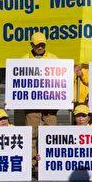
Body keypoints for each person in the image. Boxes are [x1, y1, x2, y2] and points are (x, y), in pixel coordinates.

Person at [22, 32, 58, 170]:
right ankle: (32, 162)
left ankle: (49, 161)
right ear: (31, 44)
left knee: (50, 133)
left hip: (50, 105)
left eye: (42, 44)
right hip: (32, 105)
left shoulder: (54, 58)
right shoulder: (24, 60)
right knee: (32, 134)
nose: (40, 46)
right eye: (37, 44)